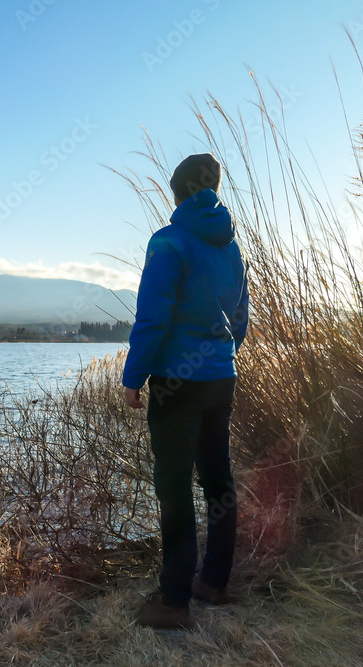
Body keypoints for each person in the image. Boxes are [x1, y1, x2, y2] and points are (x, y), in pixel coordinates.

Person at [121, 153, 249, 629]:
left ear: (175, 194)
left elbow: (153, 318)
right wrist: (223, 353)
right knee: (218, 479)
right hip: (221, 378)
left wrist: (134, 377)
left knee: (173, 486)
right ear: (213, 189)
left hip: (177, 382)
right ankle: (213, 582)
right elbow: (240, 318)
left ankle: (174, 602)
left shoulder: (168, 241)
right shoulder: (231, 247)